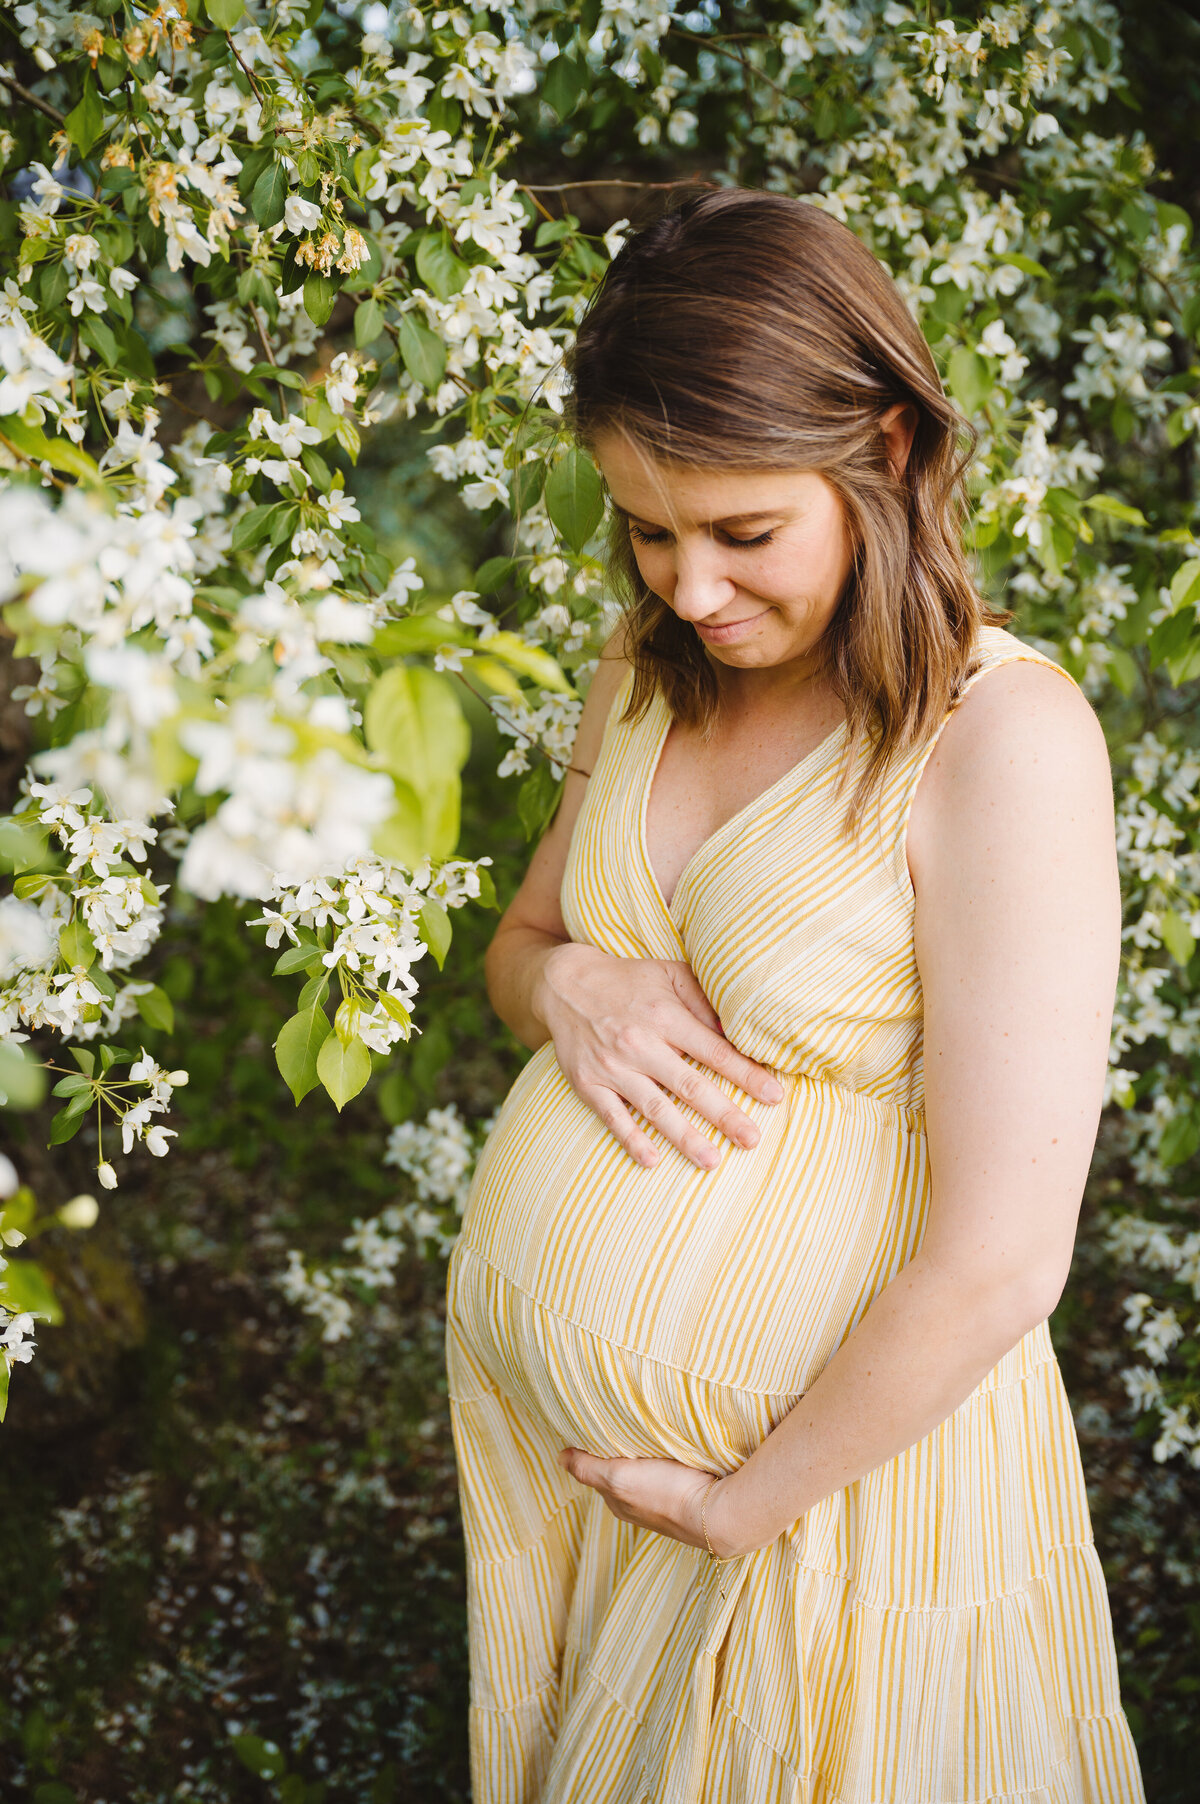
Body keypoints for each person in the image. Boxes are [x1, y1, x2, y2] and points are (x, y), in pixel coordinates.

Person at [446, 188, 1145, 1803]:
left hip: (820, 1517)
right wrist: (572, 991)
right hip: (581, 1499)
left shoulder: (1000, 743)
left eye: (742, 532)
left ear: (887, 451)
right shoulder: (646, 668)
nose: (689, 586)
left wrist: (738, 1508)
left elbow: (1002, 1259)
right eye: (645, 526)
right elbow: (521, 943)